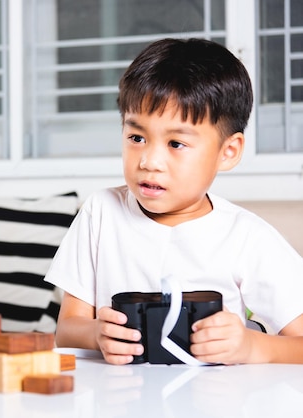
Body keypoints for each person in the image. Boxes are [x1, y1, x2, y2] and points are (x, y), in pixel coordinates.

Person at [44, 38, 303, 365]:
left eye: (176, 143)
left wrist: (252, 346)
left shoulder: (247, 236)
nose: (149, 161)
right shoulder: (100, 213)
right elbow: (66, 330)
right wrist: (96, 333)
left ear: (228, 152)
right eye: (137, 137)